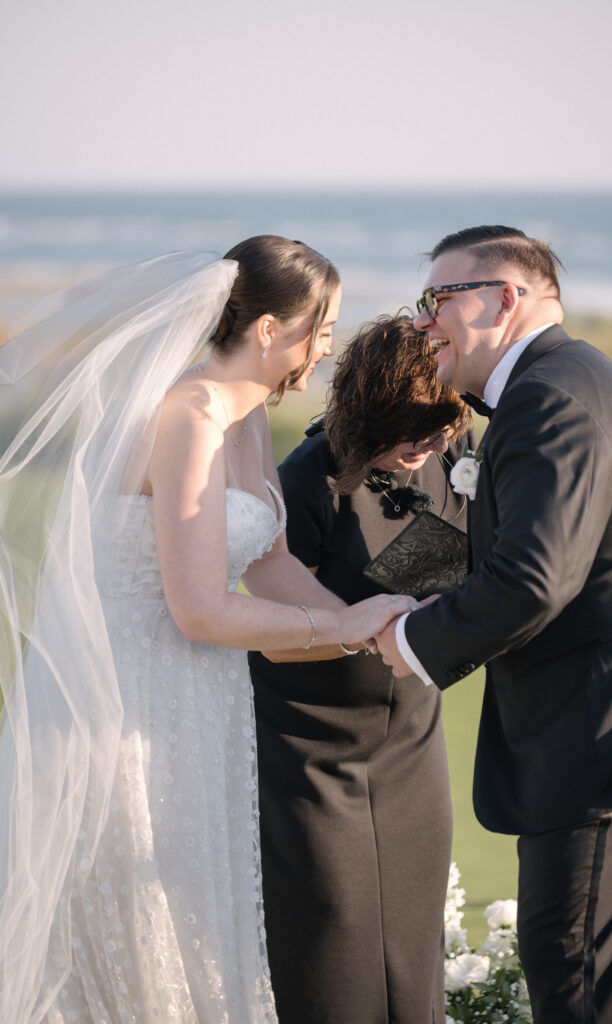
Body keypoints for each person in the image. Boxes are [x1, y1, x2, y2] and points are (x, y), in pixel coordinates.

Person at [0, 237, 417, 1024]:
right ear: (267, 329)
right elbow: (198, 608)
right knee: (138, 915)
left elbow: (269, 567)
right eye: (320, 329)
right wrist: (348, 628)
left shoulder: (246, 413)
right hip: (133, 698)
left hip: (205, 696)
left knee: (202, 902)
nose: (327, 347)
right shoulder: (188, 415)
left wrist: (370, 623)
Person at [375, 226, 612, 1023]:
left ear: (504, 297)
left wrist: (408, 639)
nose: (423, 323)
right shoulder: (574, 381)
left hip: (605, 739)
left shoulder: (550, 397)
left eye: (437, 299)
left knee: (570, 972)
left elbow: (535, 578)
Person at [248, 313, 473, 1024]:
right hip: (312, 747)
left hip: (408, 739)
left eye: (441, 433)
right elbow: (280, 636)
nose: (428, 448)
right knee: (330, 939)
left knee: (411, 942)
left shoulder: (449, 448)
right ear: (365, 412)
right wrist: (367, 630)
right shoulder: (304, 484)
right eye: (412, 434)